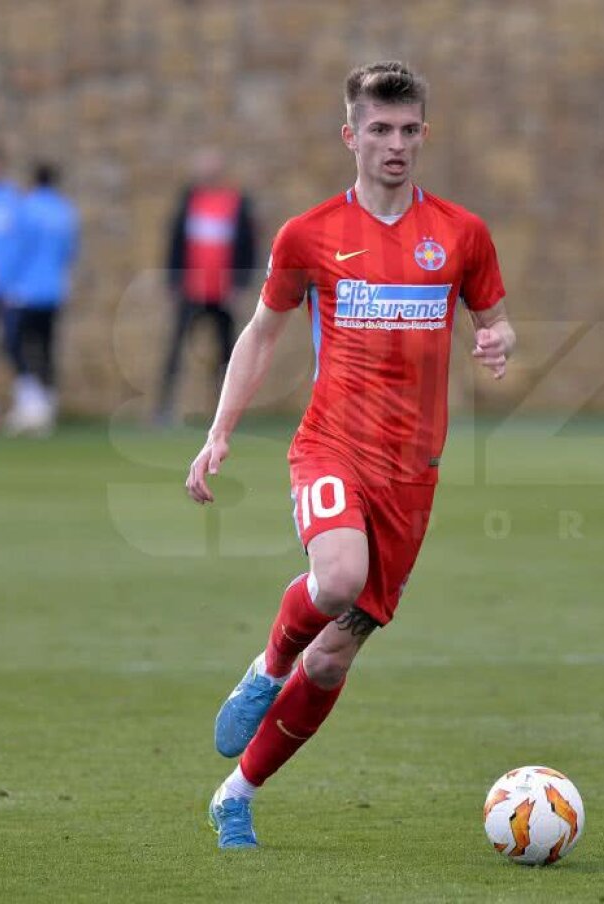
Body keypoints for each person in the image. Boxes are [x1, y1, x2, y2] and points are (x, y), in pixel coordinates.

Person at [186, 61, 515, 849]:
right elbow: (261, 332)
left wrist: (498, 337)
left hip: (413, 474)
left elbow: (496, 319)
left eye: (408, 130)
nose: (395, 144)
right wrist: (220, 429)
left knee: (332, 661)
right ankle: (265, 670)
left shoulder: (462, 235)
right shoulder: (309, 236)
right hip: (332, 443)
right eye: (379, 130)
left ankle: (235, 794)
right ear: (351, 136)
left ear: (423, 135)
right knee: (337, 579)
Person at [156, 147, 258, 425]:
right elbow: (176, 244)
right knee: (176, 351)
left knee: (227, 355)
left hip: (223, 293)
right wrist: (173, 281)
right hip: (191, 291)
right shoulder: (189, 202)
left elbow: (248, 246)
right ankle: (165, 409)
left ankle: (225, 413)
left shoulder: (236, 203)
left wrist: (241, 284)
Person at [3, 162, 80, 436]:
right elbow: (70, 253)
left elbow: (16, 250)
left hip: (26, 290)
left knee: (13, 343)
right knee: (46, 347)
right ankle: (47, 404)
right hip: (54, 291)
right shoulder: (65, 212)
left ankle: (32, 403)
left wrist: (6, 282)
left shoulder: (26, 209)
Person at [0, 144, 22, 432]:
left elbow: (21, 244)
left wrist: (9, 277)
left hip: (4, 288)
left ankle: (30, 402)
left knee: (12, 342)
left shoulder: (10, 199)